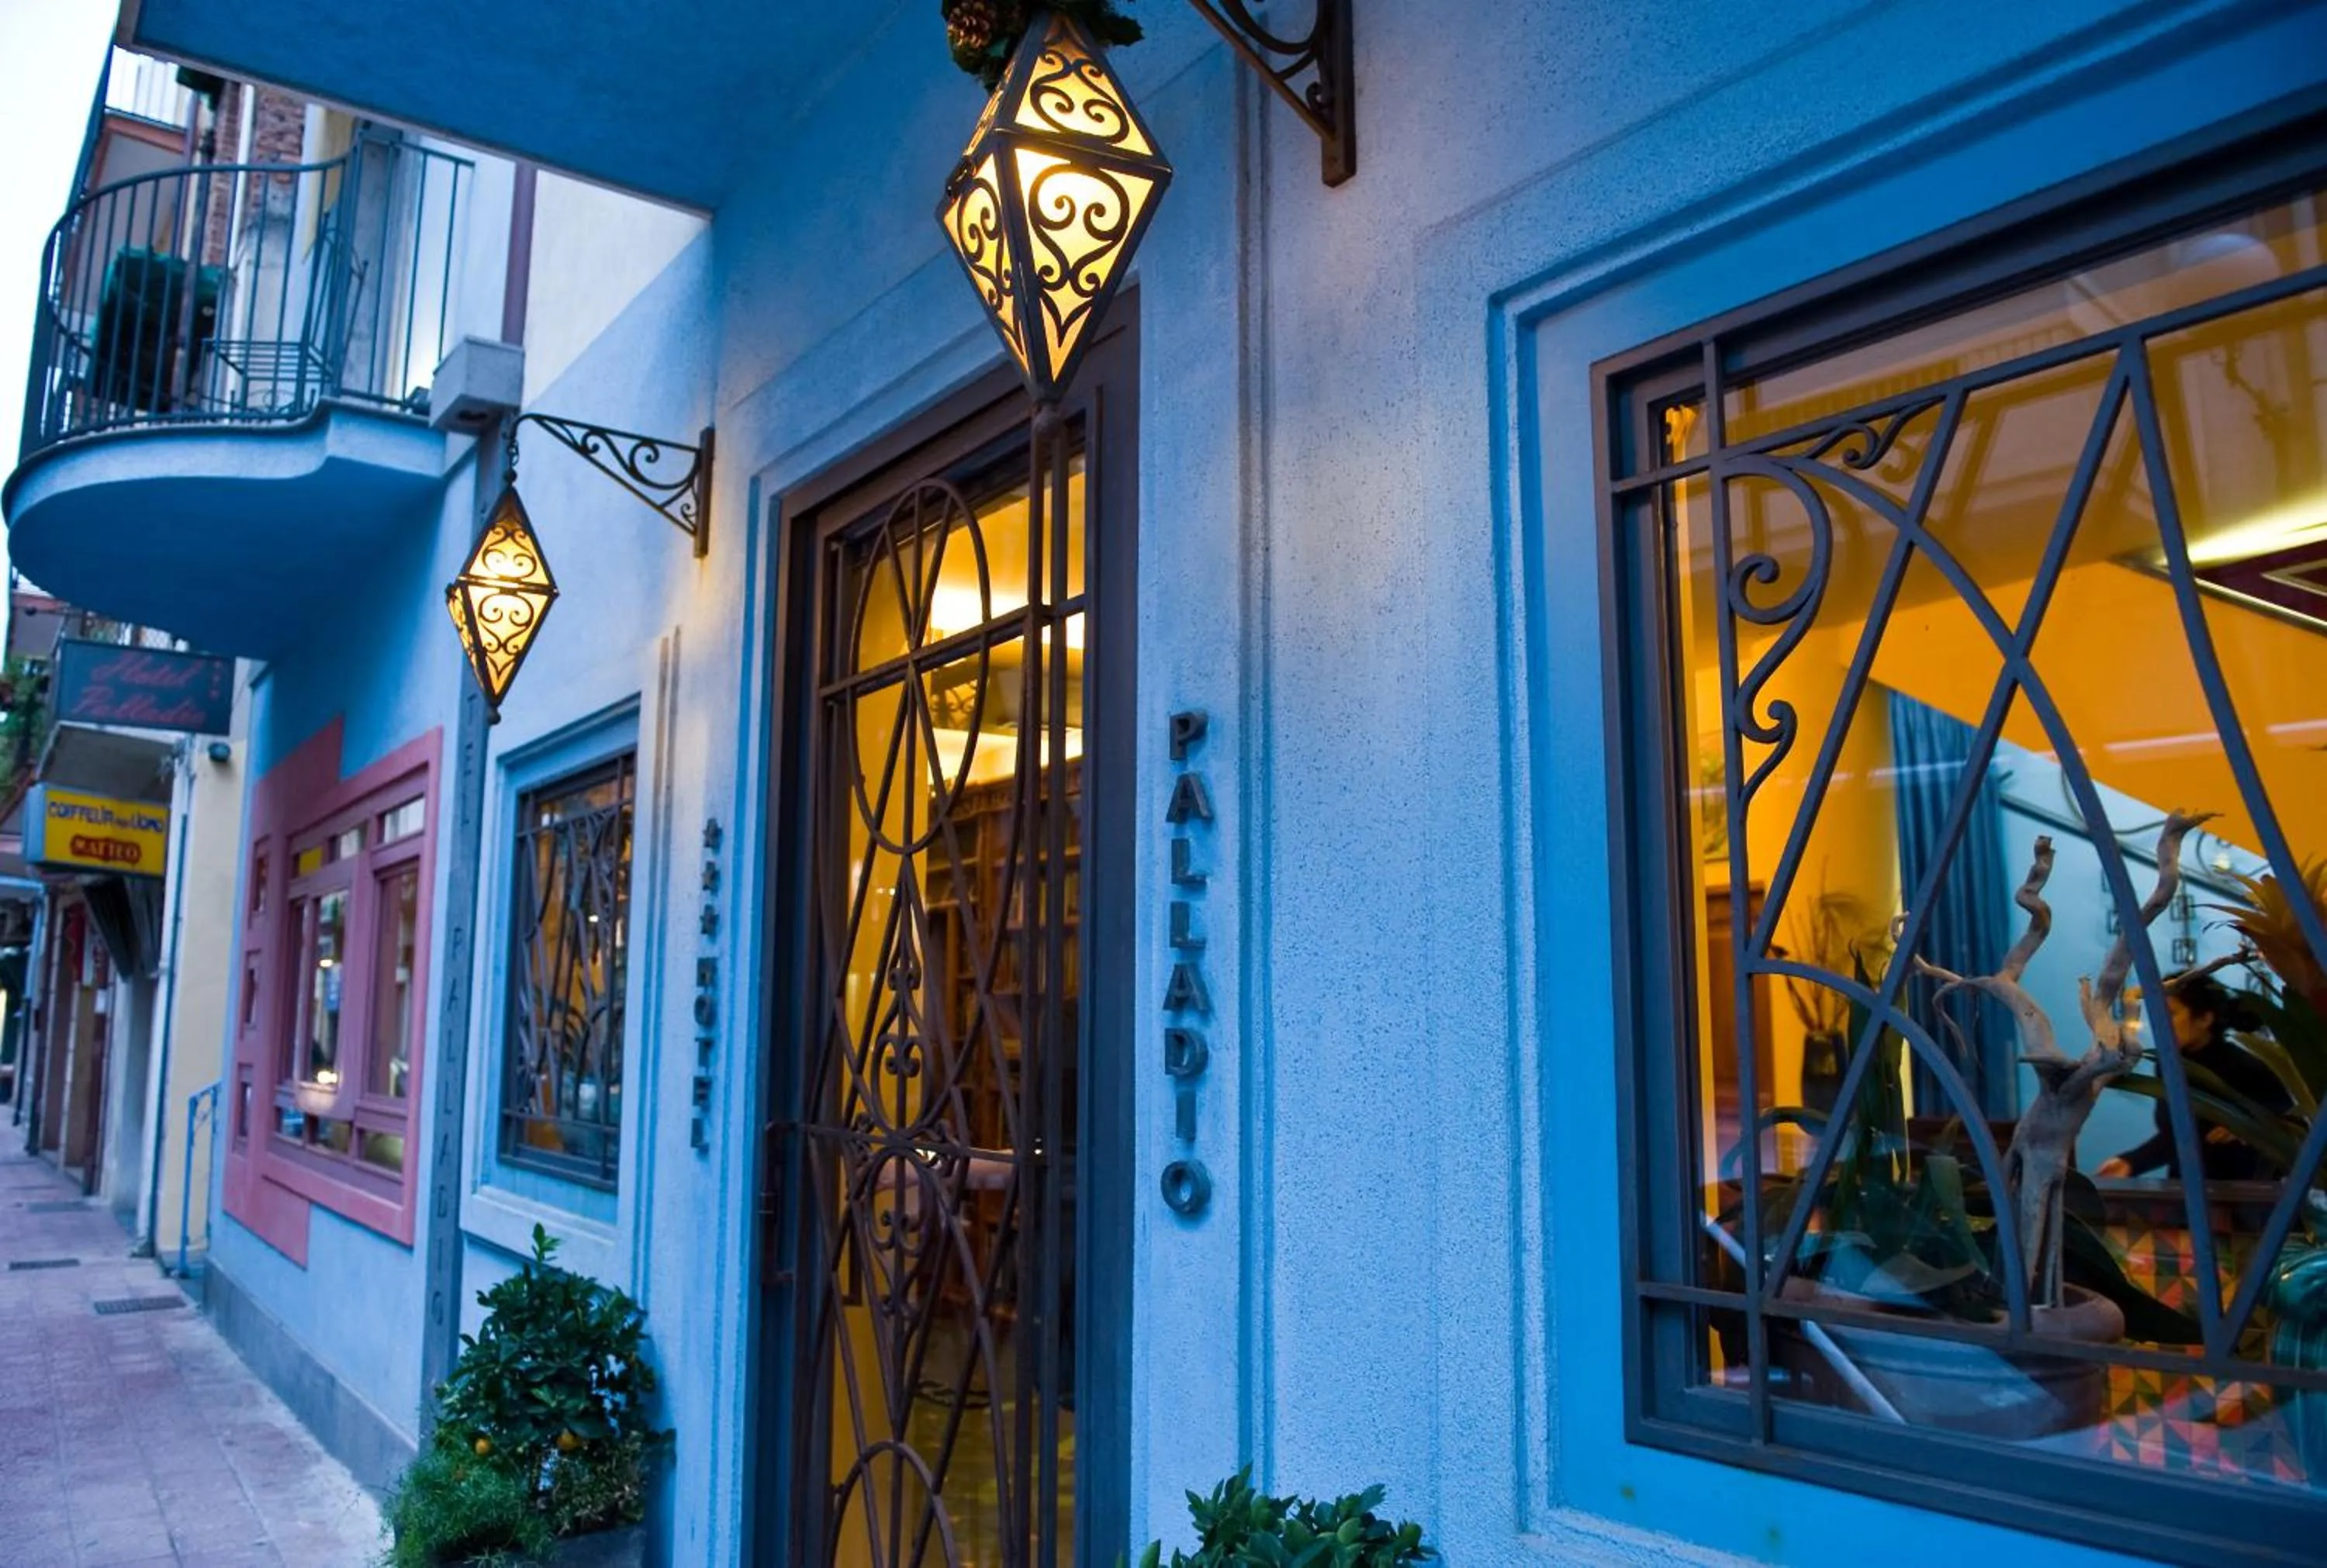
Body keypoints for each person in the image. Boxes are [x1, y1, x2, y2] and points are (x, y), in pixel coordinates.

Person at [2095, 972, 2285, 1183]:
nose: (2161, 1023)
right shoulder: (2168, 1064)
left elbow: (2192, 1134)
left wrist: (2132, 1162)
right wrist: (2130, 1162)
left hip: (2245, 1199)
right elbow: (2175, 1135)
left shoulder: (2246, 1068)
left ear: (2204, 1018)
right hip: (2185, 1191)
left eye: (2171, 1013)